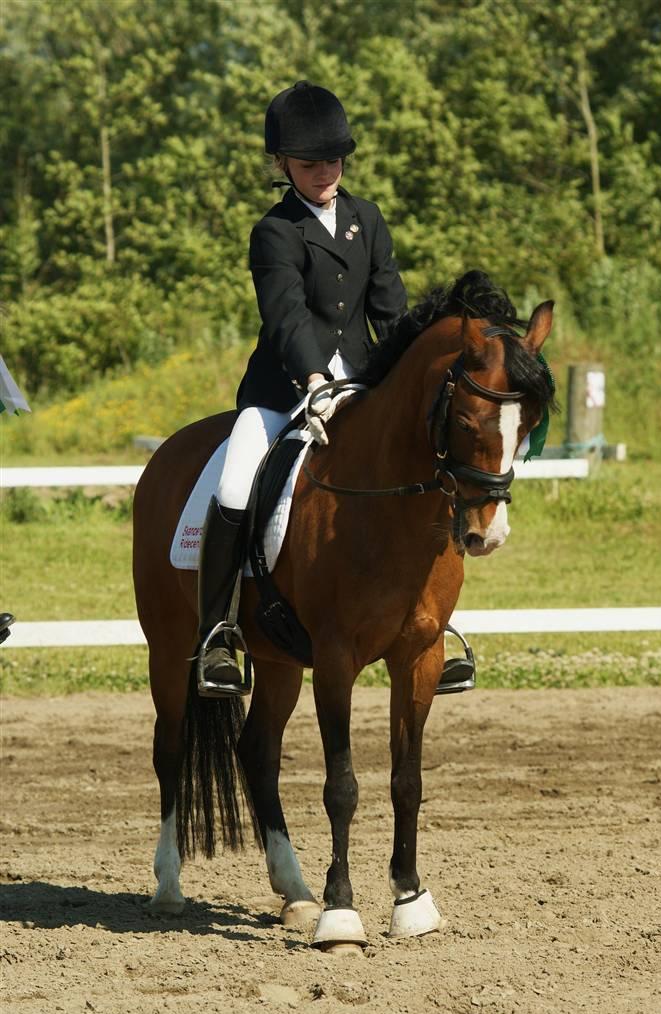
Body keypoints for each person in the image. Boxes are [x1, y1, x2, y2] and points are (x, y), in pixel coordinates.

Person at [197, 80, 408, 696]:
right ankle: (218, 634)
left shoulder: (368, 219)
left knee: (423, 467)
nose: (324, 172)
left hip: (361, 386)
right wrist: (315, 378)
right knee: (235, 485)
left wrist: (403, 377)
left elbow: (391, 310)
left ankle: (431, 623)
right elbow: (286, 316)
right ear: (283, 164)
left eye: (333, 160)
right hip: (283, 389)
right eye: (310, 163)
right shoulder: (275, 230)